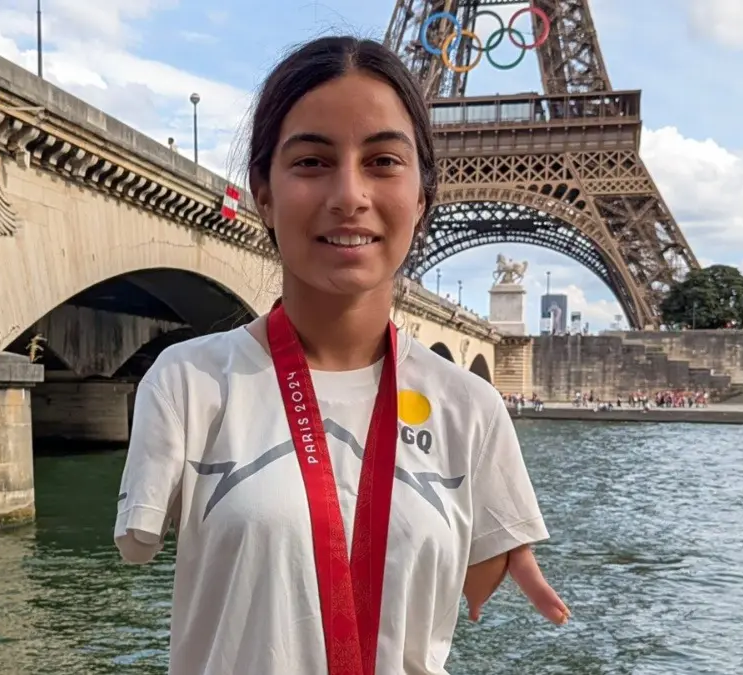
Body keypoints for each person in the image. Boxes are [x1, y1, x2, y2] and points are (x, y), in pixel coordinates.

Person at [113, 35, 569, 675]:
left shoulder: (471, 407)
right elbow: (138, 550)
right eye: (310, 162)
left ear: (422, 195)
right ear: (262, 192)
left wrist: (488, 528)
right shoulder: (188, 382)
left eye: (383, 161)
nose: (349, 194)